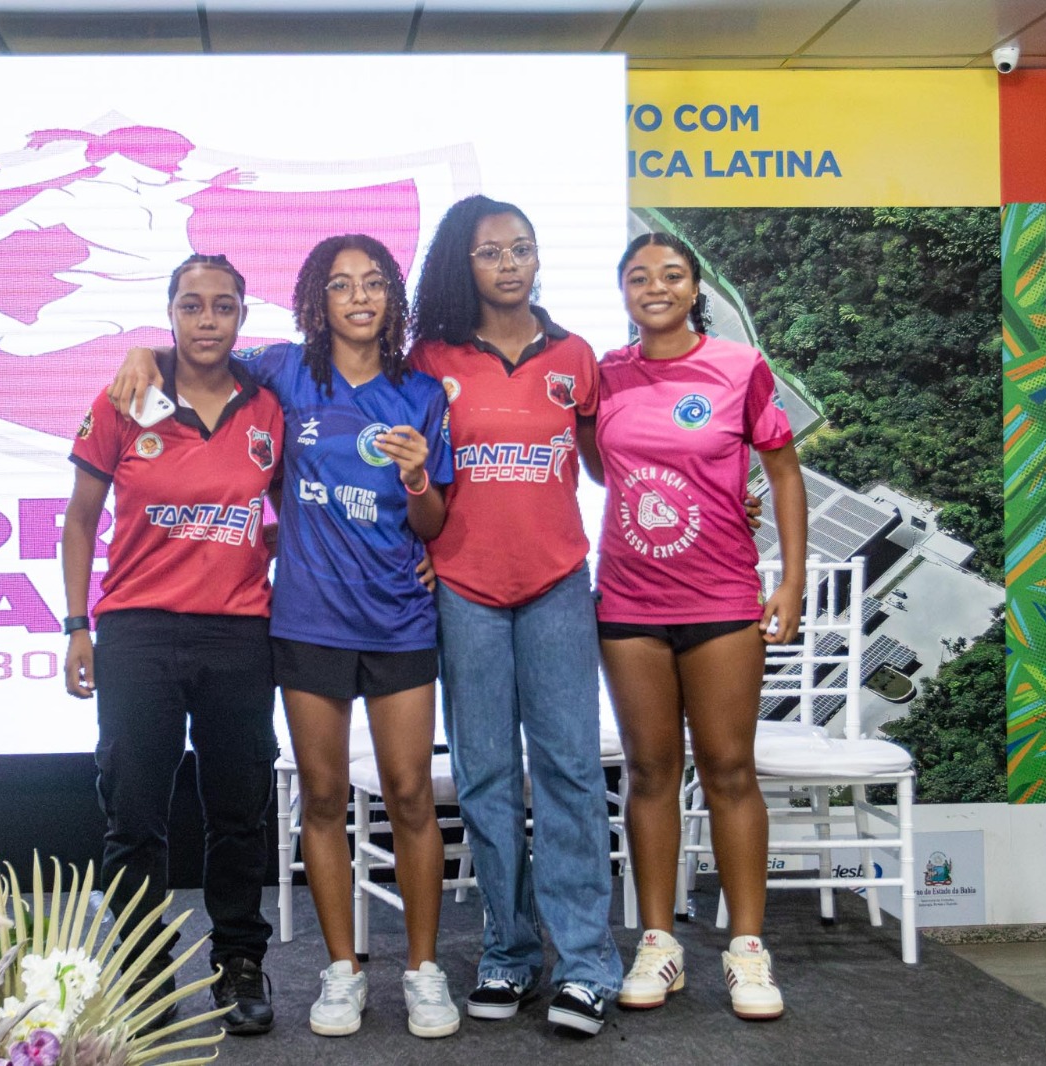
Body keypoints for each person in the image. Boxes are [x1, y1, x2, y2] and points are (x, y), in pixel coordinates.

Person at [110, 234, 461, 1040]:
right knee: (326, 798)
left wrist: (413, 479)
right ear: (318, 300)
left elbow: (434, 518)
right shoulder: (284, 372)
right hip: (307, 620)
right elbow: (199, 352)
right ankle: (342, 974)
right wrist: (140, 351)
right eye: (341, 285)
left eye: (374, 283)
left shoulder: (422, 393)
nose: (360, 298)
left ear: (393, 297)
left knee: (410, 794)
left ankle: (422, 970)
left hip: (401, 617)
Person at [405, 194, 624, 1035]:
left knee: (569, 773)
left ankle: (585, 965)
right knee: (488, 779)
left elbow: (616, 465)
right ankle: (507, 953)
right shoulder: (428, 359)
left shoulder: (575, 356)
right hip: (463, 590)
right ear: (464, 262)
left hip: (559, 585)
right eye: (493, 251)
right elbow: (414, 473)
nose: (510, 263)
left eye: (523, 248)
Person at [582, 232, 809, 1023]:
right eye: (639, 277)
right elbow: (597, 466)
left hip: (719, 599)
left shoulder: (739, 367)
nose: (655, 287)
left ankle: (747, 950)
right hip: (628, 603)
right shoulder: (603, 374)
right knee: (648, 772)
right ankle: (658, 943)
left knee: (728, 769)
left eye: (670, 275)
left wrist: (790, 578)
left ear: (694, 287)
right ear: (622, 291)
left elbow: (782, 471)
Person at [60, 253, 282, 1036]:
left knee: (238, 811)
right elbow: (80, 519)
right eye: (192, 306)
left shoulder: (268, 407)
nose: (208, 319)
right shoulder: (132, 396)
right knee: (134, 814)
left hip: (240, 634)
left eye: (224, 306)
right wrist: (76, 625)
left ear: (242, 318)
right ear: (171, 314)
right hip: (138, 633)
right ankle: (144, 976)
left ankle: (238, 963)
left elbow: (302, 513)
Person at [0, 126, 297, 354]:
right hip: (108, 294)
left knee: (298, 330)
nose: (176, 167)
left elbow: (170, 187)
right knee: (21, 346)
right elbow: (8, 222)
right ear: (125, 160)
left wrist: (219, 180)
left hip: (186, 293)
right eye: (169, 159)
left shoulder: (162, 187)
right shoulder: (70, 196)